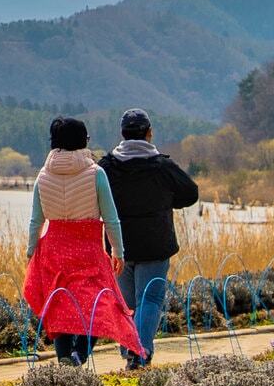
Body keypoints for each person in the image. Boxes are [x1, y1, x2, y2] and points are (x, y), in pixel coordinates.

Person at [21, 116, 143, 365]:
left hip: (53, 249)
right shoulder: (95, 173)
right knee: (101, 304)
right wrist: (118, 251)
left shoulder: (42, 176)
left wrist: (31, 251)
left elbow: (36, 220)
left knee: (59, 305)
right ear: (82, 141)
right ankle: (80, 352)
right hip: (87, 249)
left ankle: (64, 357)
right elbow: (111, 218)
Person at [97, 108, 199, 368]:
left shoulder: (108, 166)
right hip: (156, 242)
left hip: (119, 245)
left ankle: (130, 351)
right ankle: (140, 353)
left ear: (122, 134)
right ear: (149, 133)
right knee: (150, 300)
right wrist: (165, 201)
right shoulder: (162, 166)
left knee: (127, 303)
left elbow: (93, 197)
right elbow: (190, 193)